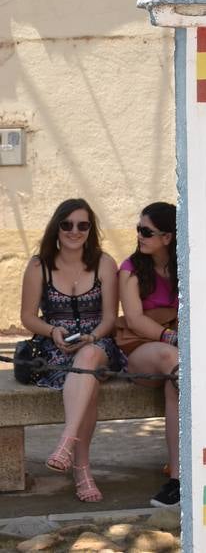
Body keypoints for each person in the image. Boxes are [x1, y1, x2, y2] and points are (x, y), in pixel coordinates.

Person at [20, 198, 123, 503]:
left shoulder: (105, 263)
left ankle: (66, 441)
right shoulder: (39, 265)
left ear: (91, 230)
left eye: (83, 225)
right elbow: (27, 317)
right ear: (57, 227)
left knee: (88, 359)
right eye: (67, 225)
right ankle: (81, 470)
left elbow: (109, 319)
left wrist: (91, 337)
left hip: (98, 344)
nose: (74, 231)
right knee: (85, 380)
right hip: (55, 349)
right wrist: (53, 331)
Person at [118, 201, 180, 509]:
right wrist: (172, 335)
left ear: (167, 237)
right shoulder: (130, 269)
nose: (140, 236)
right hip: (140, 346)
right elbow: (134, 319)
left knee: (177, 380)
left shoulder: (187, 264)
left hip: (178, 352)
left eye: (147, 231)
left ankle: (179, 479)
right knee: (174, 362)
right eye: (139, 229)